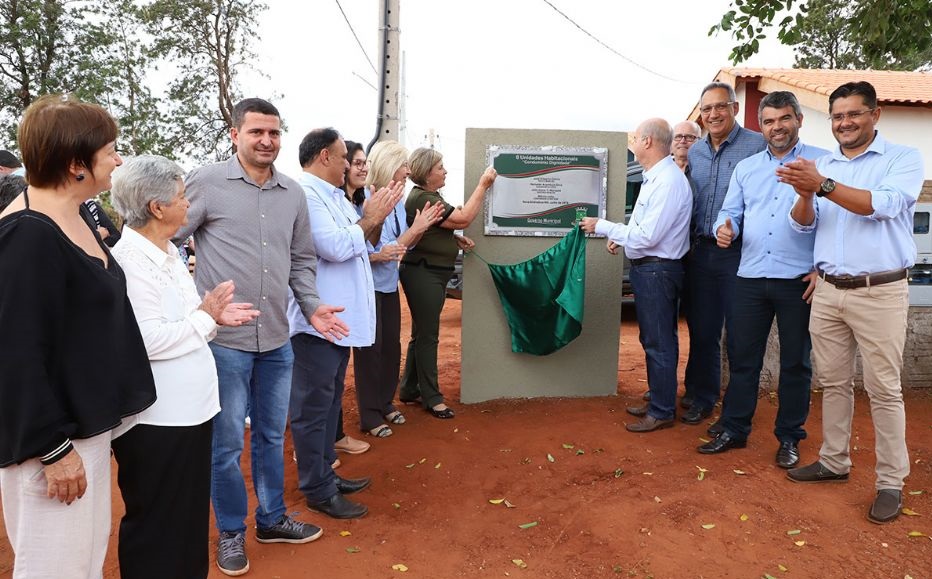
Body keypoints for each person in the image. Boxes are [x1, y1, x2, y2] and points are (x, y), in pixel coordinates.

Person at [173, 98, 348, 577]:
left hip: (276, 339)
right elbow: (165, 242)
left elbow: (302, 260)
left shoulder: (292, 193)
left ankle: (272, 519)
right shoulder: (206, 181)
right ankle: (231, 530)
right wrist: (195, 307)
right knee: (227, 443)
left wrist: (312, 307)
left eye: (274, 133)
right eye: (257, 133)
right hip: (224, 344)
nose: (267, 141)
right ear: (235, 135)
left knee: (272, 435)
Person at [0, 95, 156, 579]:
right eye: (110, 149)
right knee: (55, 569)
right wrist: (51, 449)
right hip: (52, 444)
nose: (118, 159)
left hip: (86, 428)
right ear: (75, 164)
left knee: (83, 564)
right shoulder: (26, 234)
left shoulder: (84, 213)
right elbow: (13, 353)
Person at [778, 81, 924, 524]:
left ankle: (890, 482)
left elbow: (883, 205)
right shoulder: (822, 165)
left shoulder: (903, 158)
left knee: (883, 390)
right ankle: (834, 461)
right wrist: (805, 195)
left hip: (879, 290)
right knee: (834, 383)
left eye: (853, 114)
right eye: (837, 116)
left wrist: (820, 184)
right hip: (828, 291)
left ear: (875, 115)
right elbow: (804, 227)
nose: (844, 123)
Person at [109, 155, 260, 579]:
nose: (188, 205)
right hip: (157, 421)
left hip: (190, 414)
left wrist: (210, 318)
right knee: (158, 522)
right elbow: (146, 340)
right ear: (156, 208)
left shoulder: (169, 253)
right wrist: (206, 318)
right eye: (180, 197)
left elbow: (183, 321)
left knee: (187, 520)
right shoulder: (129, 263)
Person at [697, 91, 828, 467]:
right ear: (761, 126)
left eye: (784, 118)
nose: (776, 127)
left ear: (799, 119)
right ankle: (734, 429)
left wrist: (822, 267)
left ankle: (789, 437)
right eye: (768, 121)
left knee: (795, 364)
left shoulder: (822, 162)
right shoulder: (748, 168)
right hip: (750, 277)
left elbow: (836, 223)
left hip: (798, 280)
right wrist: (727, 228)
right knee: (742, 359)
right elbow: (731, 212)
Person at [288, 128, 402, 520]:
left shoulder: (331, 195)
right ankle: (317, 488)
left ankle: (325, 474)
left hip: (335, 321)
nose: (348, 166)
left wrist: (372, 220)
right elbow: (335, 247)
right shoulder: (305, 194)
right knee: (313, 407)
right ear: (323, 157)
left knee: (329, 400)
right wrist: (371, 217)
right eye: (342, 158)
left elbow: (361, 242)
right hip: (316, 322)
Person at [581, 118, 691, 432]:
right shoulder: (656, 177)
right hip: (651, 269)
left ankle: (661, 411)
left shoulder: (667, 181)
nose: (633, 143)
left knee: (659, 342)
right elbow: (643, 230)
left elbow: (647, 236)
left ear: (647, 141)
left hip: (658, 270)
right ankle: (659, 400)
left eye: (635, 137)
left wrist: (601, 226)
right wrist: (623, 236)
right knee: (655, 339)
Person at [682, 82, 766, 424]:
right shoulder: (696, 152)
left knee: (741, 334)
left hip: (739, 254)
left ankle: (736, 411)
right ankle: (702, 397)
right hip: (699, 253)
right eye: (706, 109)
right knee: (702, 330)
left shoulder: (757, 146)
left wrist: (737, 231)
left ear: (733, 108)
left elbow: (768, 200)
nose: (713, 114)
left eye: (720, 107)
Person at [398, 148, 497, 419]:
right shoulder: (424, 197)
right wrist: (483, 185)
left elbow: (434, 229)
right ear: (427, 172)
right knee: (428, 336)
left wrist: (452, 239)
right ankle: (432, 397)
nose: (445, 171)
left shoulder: (427, 196)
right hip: (424, 273)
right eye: (440, 167)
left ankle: (409, 388)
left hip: (430, 272)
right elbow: (463, 218)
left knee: (421, 333)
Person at [355, 140, 444, 436]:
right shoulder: (368, 199)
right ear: (389, 166)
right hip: (368, 289)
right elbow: (384, 249)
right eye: (403, 165)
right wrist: (416, 230)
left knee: (390, 348)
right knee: (371, 352)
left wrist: (417, 229)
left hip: (388, 286)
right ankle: (370, 415)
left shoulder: (394, 203)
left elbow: (400, 245)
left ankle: (385, 403)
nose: (407, 171)